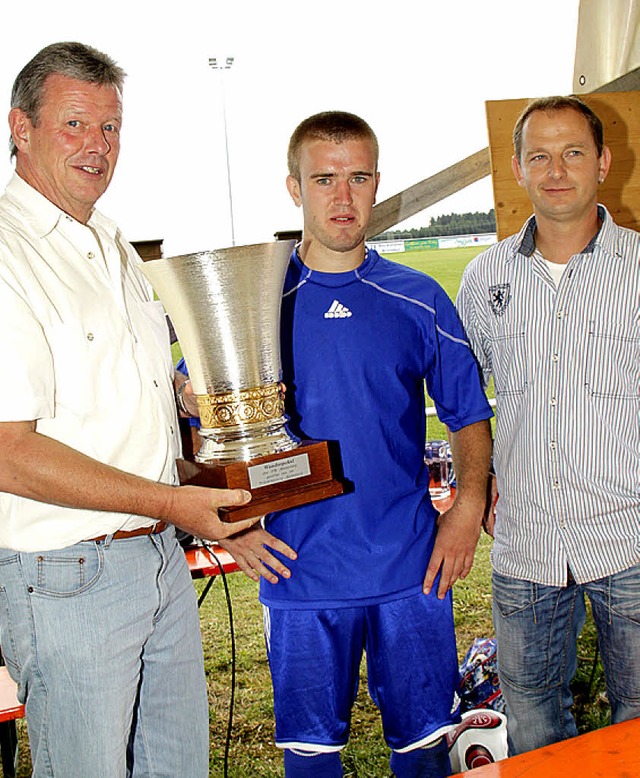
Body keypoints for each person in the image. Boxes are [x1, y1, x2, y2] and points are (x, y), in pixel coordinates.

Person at [0, 41, 260, 777]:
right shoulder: (7, 252)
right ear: (21, 128)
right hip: (66, 576)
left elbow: (122, 419)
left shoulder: (111, 239)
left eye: (111, 127)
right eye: (76, 124)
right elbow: (8, 451)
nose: (98, 146)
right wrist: (177, 503)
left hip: (156, 558)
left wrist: (206, 481)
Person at [220, 111, 493, 778]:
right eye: (324, 179)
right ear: (294, 187)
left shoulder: (418, 297)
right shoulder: (256, 304)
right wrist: (229, 526)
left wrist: (465, 506)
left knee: (423, 750)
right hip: (298, 569)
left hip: (408, 567)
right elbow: (213, 422)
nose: (343, 198)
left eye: (358, 178)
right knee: (312, 761)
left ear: (377, 184)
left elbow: (467, 415)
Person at [456, 95, 640, 755]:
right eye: (540, 155)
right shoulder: (484, 278)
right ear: (518, 167)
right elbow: (462, 397)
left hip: (630, 538)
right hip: (526, 540)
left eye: (572, 153)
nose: (556, 170)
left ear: (603, 161)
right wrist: (477, 482)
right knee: (533, 728)